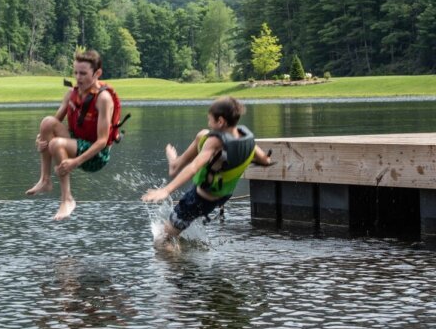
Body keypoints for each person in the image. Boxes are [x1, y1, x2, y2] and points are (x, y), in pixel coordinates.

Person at [141, 96, 272, 243]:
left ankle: (178, 265)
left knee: (162, 240)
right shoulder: (248, 141)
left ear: (221, 121)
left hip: (198, 200)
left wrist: (166, 190)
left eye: (210, 120)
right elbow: (266, 160)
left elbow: (194, 166)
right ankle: (175, 164)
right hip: (223, 196)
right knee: (202, 134)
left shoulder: (215, 141)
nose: (209, 123)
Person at [26, 49, 122, 220]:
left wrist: (74, 162)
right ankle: (45, 180)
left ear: (97, 73)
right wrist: (39, 141)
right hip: (77, 143)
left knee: (56, 144)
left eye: (84, 73)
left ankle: (67, 199)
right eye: (76, 73)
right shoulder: (71, 94)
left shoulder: (103, 99)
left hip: (96, 155)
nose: (78, 78)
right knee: (47, 122)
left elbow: (101, 142)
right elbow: (52, 125)